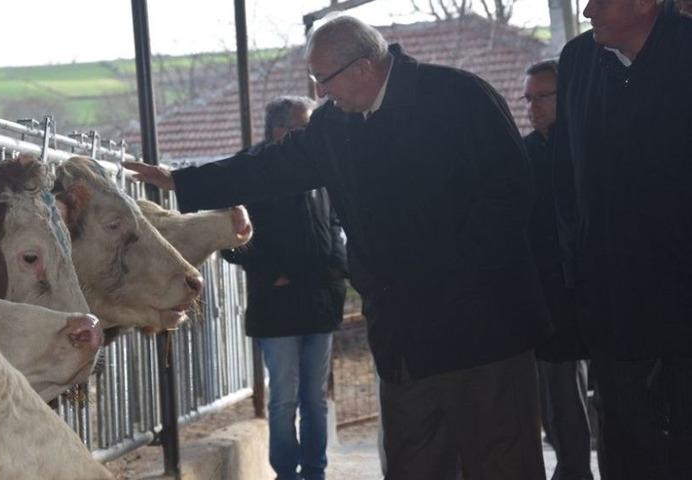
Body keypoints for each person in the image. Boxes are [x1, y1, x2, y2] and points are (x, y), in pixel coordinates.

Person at [126, 15, 552, 479]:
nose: (321, 93)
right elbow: (271, 167)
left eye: (324, 80)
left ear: (364, 67)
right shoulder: (333, 126)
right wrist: (181, 179)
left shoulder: (458, 96)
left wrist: (452, 276)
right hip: (404, 342)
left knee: (502, 464)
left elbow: (511, 196)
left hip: (482, 334)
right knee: (415, 465)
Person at [552, 0, 692, 478]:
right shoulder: (576, 62)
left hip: (683, 314)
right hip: (613, 318)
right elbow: (566, 188)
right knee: (626, 452)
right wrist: (581, 282)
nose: (588, 10)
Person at [220, 96, 347, 480]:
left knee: (315, 400)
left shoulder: (319, 167)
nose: (309, 135)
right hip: (277, 306)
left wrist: (337, 268)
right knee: (284, 400)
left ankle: (315, 472)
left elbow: (336, 223)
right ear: (279, 130)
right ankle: (286, 474)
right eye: (303, 128)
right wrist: (272, 272)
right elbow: (230, 240)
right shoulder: (251, 170)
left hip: (320, 302)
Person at [521, 59, 593, 480]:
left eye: (542, 97)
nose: (533, 106)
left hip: (598, 290)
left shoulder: (589, 144)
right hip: (549, 296)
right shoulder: (525, 153)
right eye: (528, 99)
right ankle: (573, 470)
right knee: (558, 398)